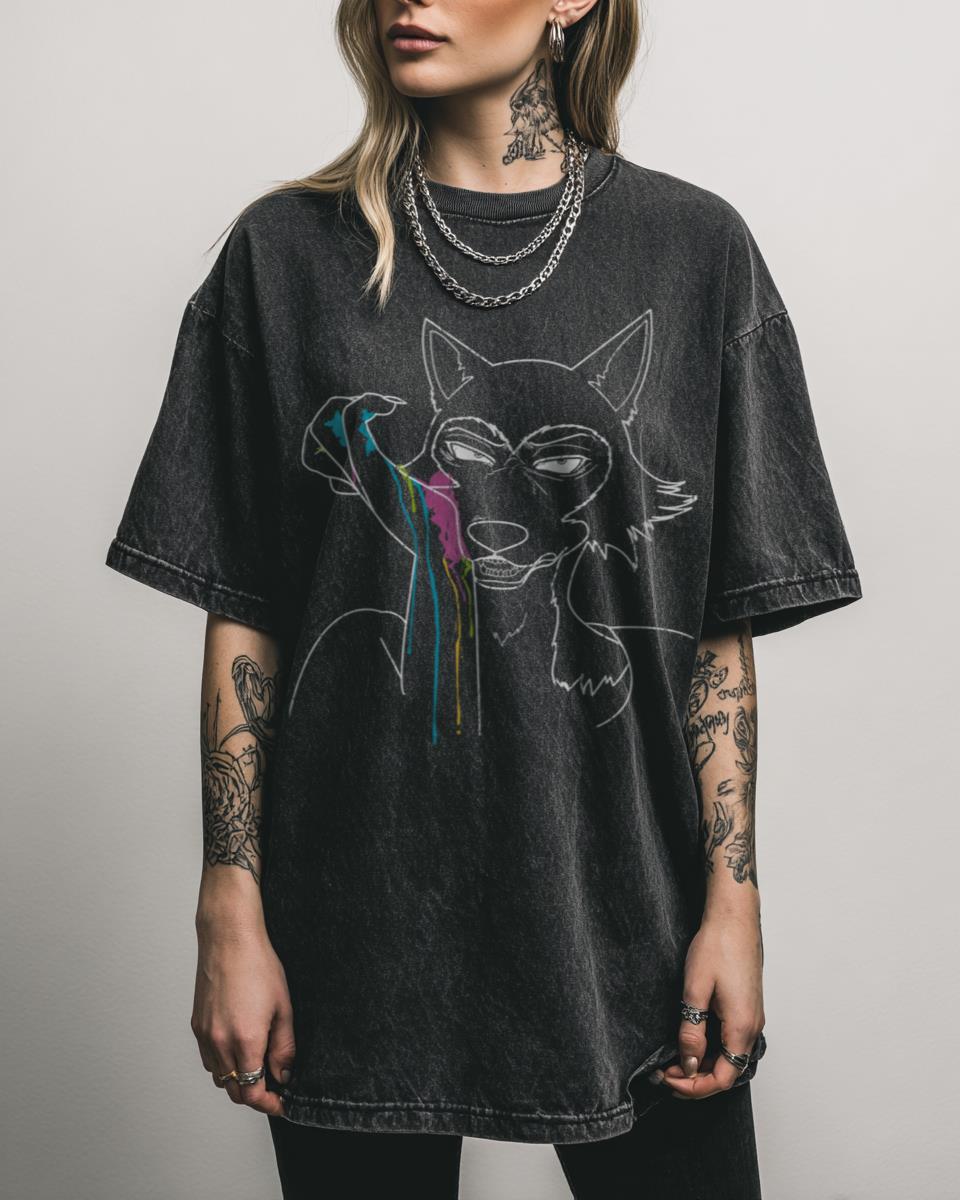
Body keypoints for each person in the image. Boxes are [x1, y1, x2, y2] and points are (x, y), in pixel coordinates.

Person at [104, 1, 863, 1196]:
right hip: (354, 929)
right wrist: (229, 905)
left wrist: (734, 901)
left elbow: (714, 632)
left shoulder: (695, 251)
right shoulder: (284, 256)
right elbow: (246, 608)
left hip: (632, 920)